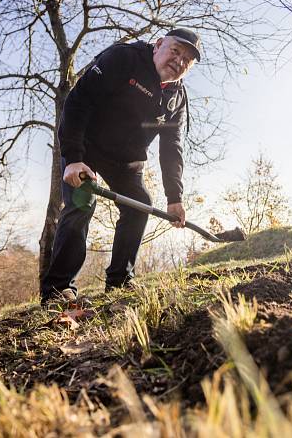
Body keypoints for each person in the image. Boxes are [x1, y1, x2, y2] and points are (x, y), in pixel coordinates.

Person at [40, 28, 201, 306]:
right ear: (158, 44)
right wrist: (74, 156)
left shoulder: (177, 97)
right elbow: (78, 102)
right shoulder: (123, 58)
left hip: (125, 160)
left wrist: (175, 198)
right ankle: (57, 290)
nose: (179, 60)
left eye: (187, 60)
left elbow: (172, 147)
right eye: (176, 51)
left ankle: (120, 284)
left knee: (140, 205)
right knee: (82, 202)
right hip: (86, 146)